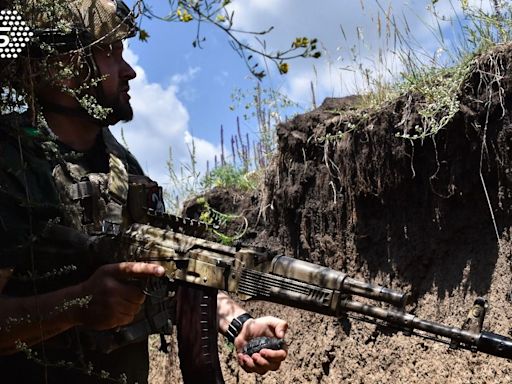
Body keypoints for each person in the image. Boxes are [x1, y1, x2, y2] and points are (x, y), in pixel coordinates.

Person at [0, 0, 287, 382]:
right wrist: (77, 304)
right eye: (109, 52)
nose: (129, 70)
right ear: (62, 65)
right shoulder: (13, 161)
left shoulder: (121, 166)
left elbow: (168, 273)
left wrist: (238, 323)